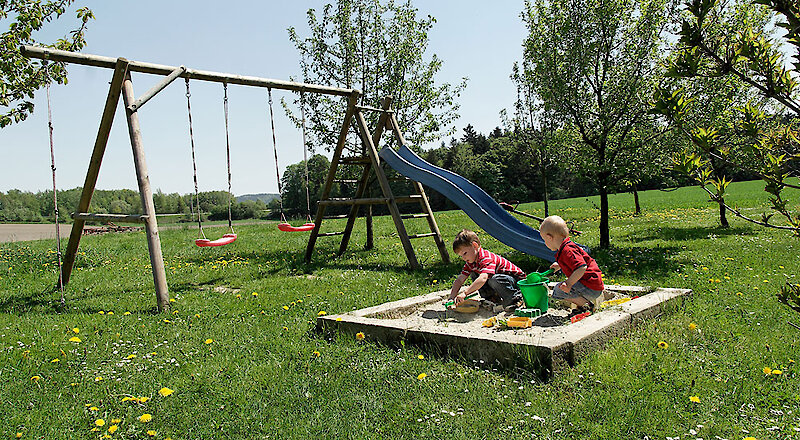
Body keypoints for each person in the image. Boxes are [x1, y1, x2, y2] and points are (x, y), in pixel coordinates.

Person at [539, 215, 607, 318]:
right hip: (592, 284)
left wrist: (569, 284)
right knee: (561, 288)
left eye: (544, 240)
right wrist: (560, 265)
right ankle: (583, 305)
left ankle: (586, 306)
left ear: (549, 237)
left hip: (591, 287)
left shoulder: (567, 250)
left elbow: (581, 267)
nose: (545, 243)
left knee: (559, 290)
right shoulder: (566, 247)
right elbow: (573, 262)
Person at [445, 229, 526, 310]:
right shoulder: (471, 263)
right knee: (475, 273)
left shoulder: (486, 258)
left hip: (517, 281)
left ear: (475, 245)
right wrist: (451, 297)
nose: (463, 258)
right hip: (502, 280)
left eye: (465, 253)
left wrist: (465, 293)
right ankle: (492, 298)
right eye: (461, 256)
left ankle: (516, 299)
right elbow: (460, 280)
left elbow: (483, 278)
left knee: (493, 279)